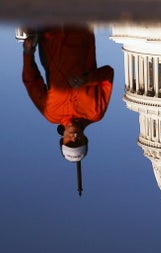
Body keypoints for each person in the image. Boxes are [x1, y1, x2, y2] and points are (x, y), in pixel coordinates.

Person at [21, 26, 114, 164]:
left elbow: (31, 81)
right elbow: (108, 73)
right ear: (85, 138)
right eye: (79, 142)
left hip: (49, 32)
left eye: (69, 143)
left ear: (62, 139)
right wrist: (86, 80)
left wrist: (28, 53)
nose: (74, 137)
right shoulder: (95, 113)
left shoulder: (51, 114)